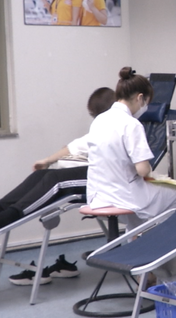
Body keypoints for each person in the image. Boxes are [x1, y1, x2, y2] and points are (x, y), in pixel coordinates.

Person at [3, 87, 115, 285]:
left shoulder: (126, 127)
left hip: (108, 182)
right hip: (95, 173)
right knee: (43, 175)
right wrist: (47, 160)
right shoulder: (104, 127)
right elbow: (74, 146)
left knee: (56, 180)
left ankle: (9, 215)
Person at [86, 67, 176, 230]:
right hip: (123, 196)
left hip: (97, 196)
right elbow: (143, 170)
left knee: (140, 208)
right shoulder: (131, 124)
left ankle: (135, 237)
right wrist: (151, 173)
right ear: (140, 98)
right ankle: (160, 240)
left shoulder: (99, 120)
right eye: (147, 103)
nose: (145, 108)